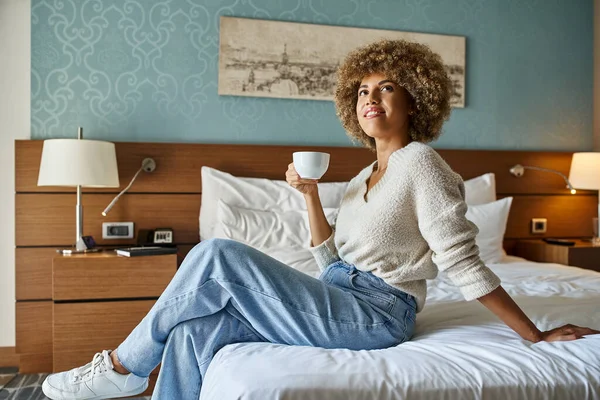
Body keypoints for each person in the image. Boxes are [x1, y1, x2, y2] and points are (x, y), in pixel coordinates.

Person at [42, 39, 599, 400]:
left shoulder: (421, 163)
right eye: (362, 90)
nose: (370, 99)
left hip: (379, 314)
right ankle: (137, 375)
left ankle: (122, 366)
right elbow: (331, 261)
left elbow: (459, 257)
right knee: (193, 331)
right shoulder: (361, 178)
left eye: (386, 89)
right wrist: (310, 196)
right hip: (337, 294)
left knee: (215, 255)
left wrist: (535, 333)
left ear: (416, 102)